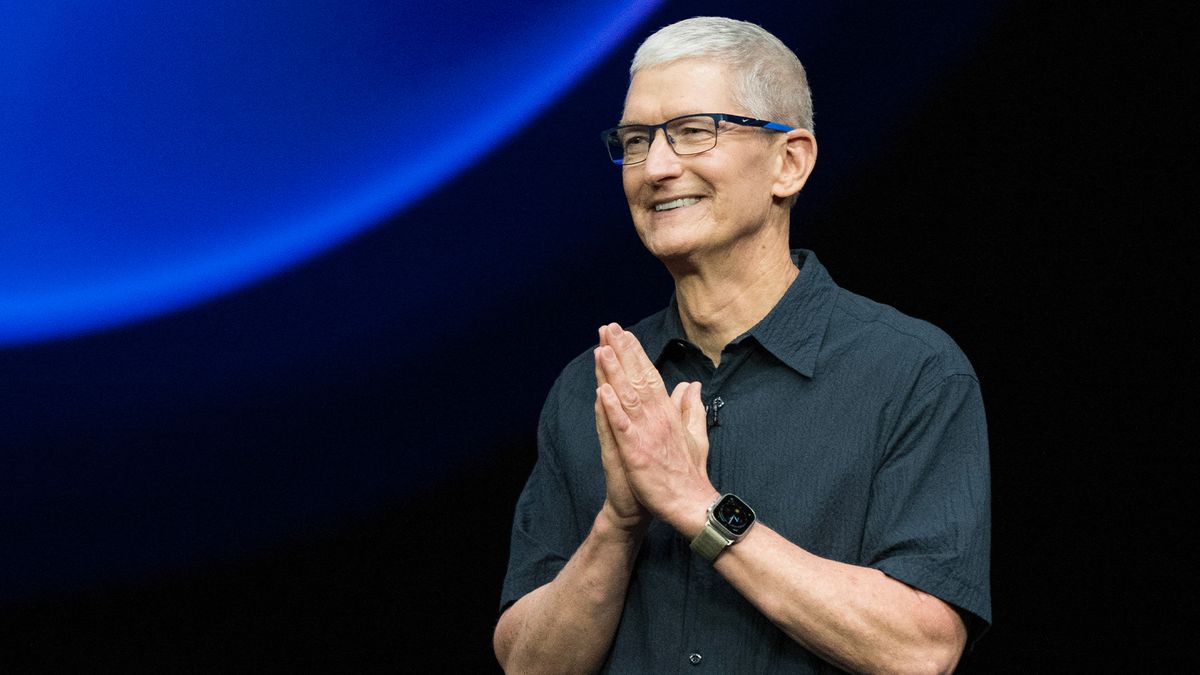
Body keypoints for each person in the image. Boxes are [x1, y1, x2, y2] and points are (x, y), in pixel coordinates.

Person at [494, 16, 990, 673]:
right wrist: (618, 524)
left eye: (695, 131)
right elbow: (528, 663)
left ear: (789, 162)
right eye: (637, 140)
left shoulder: (912, 370)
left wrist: (697, 506)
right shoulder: (591, 387)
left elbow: (921, 649)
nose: (657, 167)